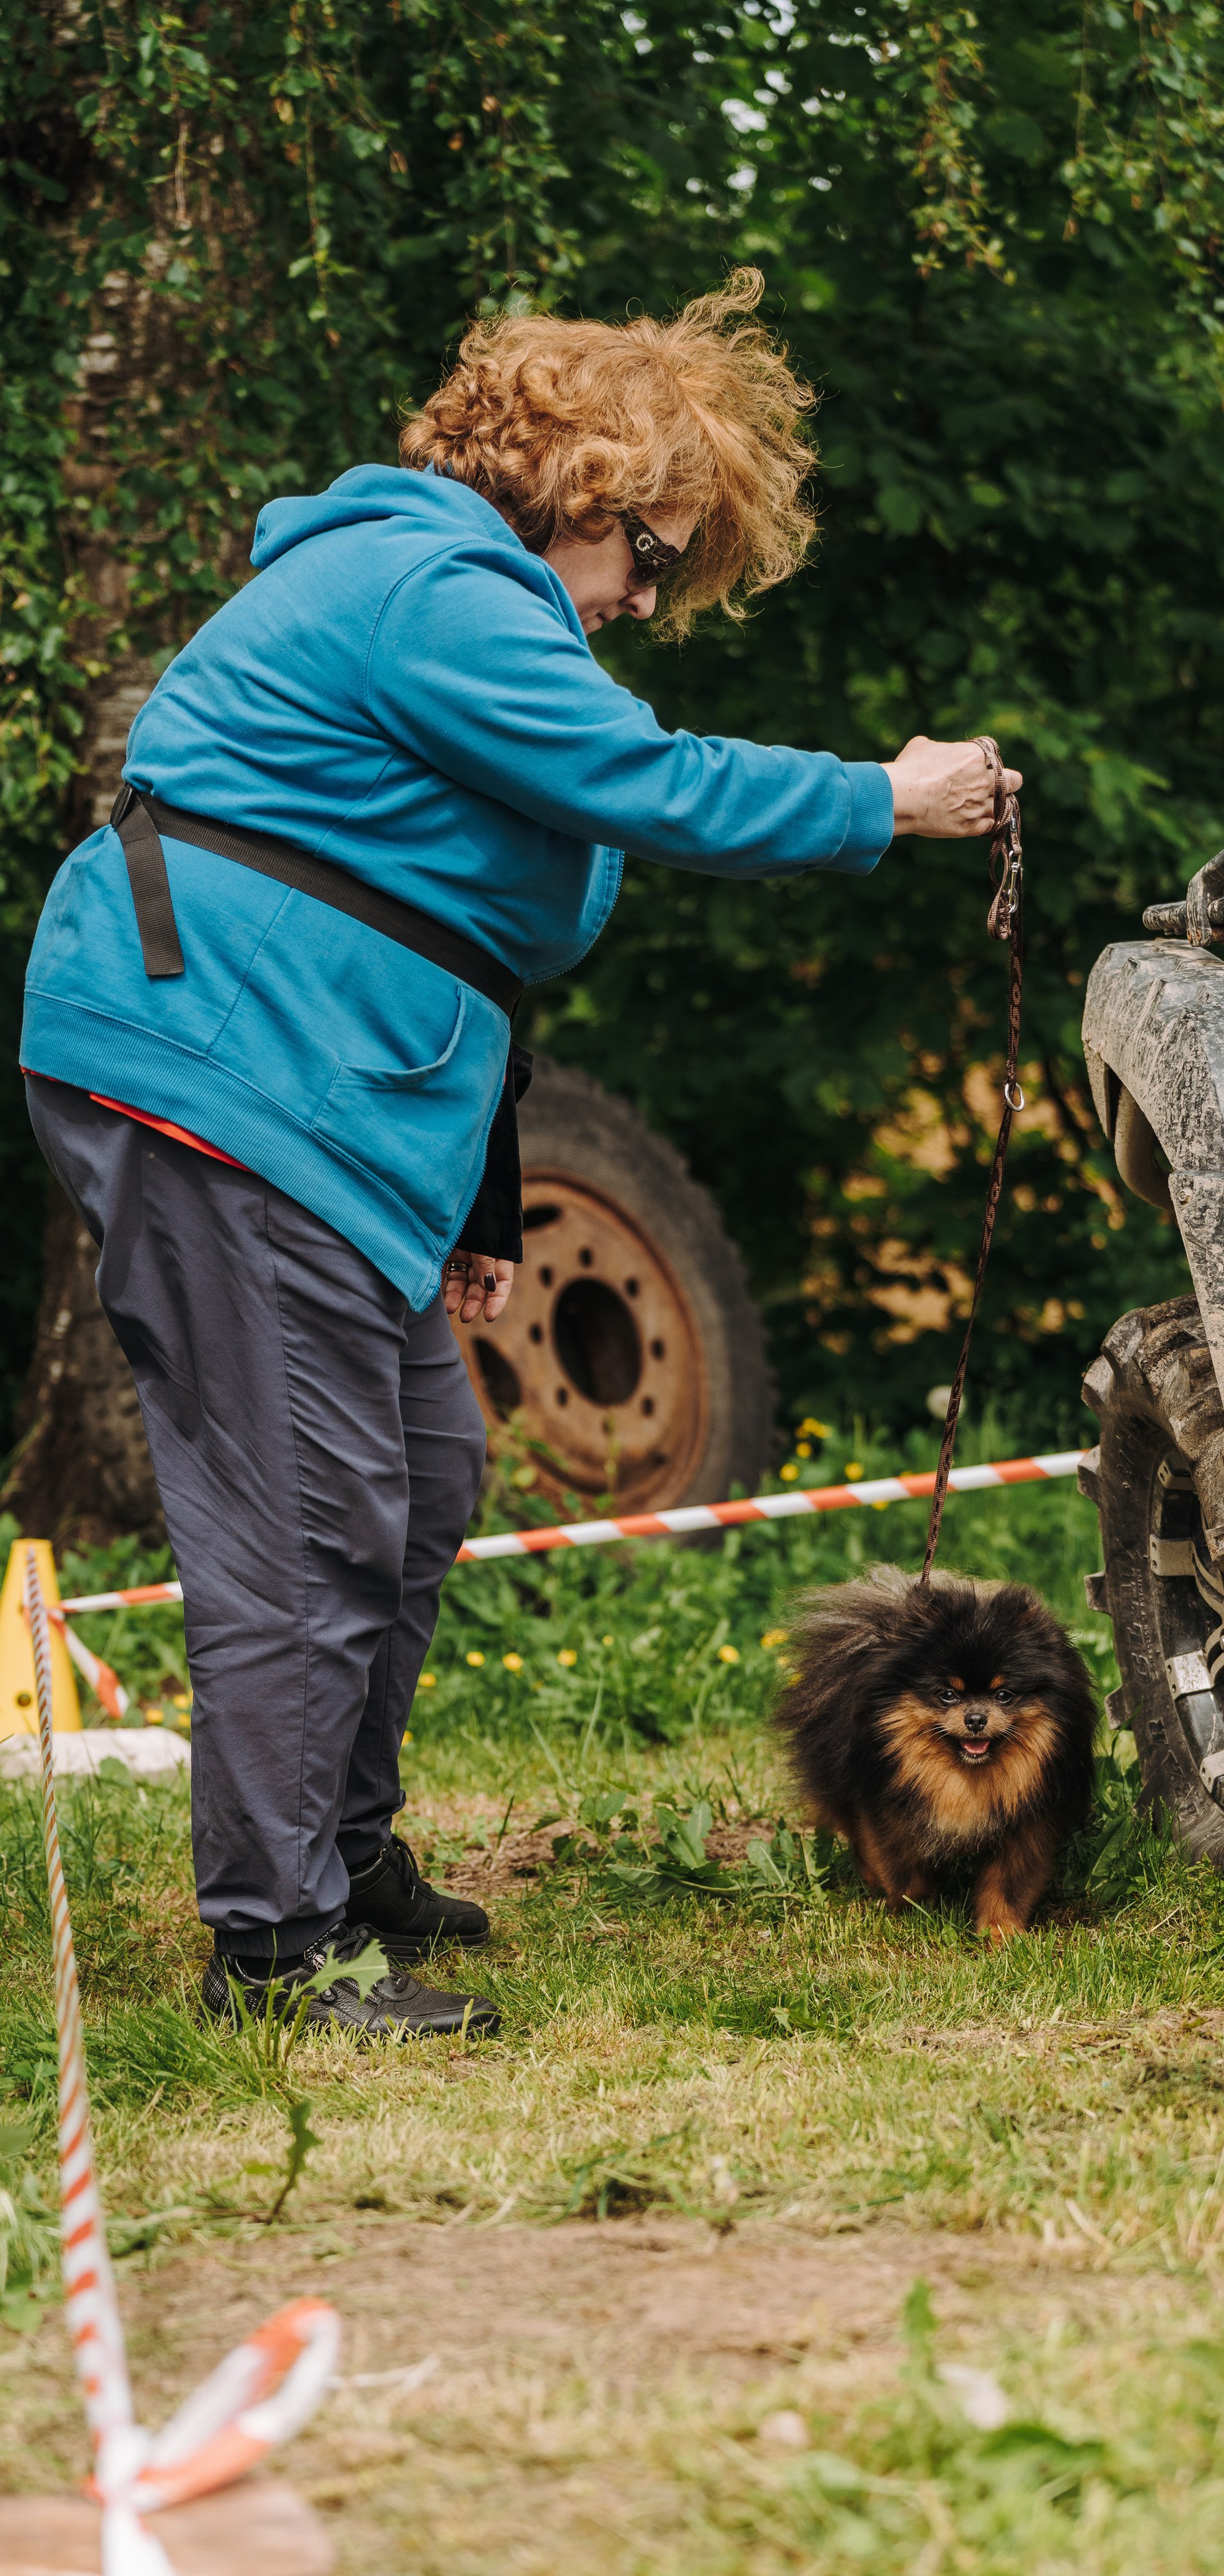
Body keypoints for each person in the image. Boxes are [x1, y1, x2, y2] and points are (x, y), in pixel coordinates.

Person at [21, 271, 1020, 2040]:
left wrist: (471, 1205)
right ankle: (279, 1945)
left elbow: (441, 930)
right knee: (309, 1522)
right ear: (573, 489)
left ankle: (344, 1849)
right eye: (648, 549)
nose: (644, 597)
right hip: (222, 1073)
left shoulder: (446, 602)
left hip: (316, 1099)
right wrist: (889, 796)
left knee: (423, 1470)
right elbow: (658, 789)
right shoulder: (441, 585)